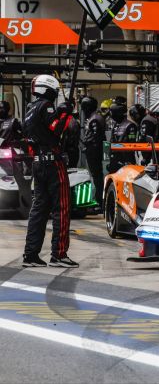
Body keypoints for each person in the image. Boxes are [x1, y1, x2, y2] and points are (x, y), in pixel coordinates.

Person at [22, 75, 77, 268]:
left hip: (37, 163)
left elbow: (28, 138)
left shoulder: (29, 110)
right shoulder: (46, 106)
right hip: (53, 164)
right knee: (61, 208)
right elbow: (56, 129)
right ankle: (59, 254)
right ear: (49, 90)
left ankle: (30, 255)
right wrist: (66, 113)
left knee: (38, 210)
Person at [80, 95, 105, 207]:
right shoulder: (92, 117)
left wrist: (89, 146)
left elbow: (96, 137)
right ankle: (98, 198)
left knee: (97, 176)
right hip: (91, 150)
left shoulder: (95, 119)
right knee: (95, 175)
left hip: (94, 151)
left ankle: (99, 200)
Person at [108, 102, 137, 173]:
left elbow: (131, 143)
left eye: (112, 113)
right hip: (114, 158)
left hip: (126, 159)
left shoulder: (130, 126)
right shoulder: (115, 125)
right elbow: (112, 140)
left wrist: (115, 146)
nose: (111, 115)